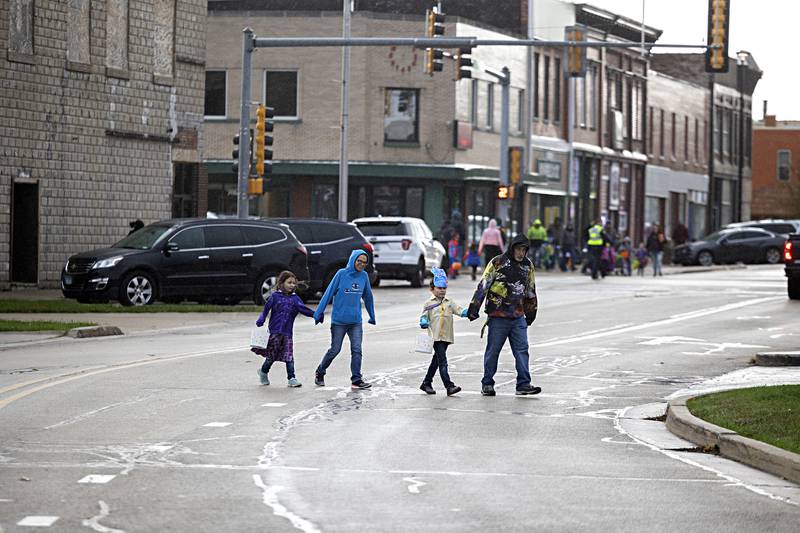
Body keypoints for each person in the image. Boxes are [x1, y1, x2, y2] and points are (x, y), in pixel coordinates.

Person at [467, 234, 542, 397]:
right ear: (512, 248)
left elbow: (530, 290)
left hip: (518, 316)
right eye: (518, 249)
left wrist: (531, 313)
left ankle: (523, 384)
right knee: (493, 351)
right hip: (498, 316)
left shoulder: (528, 266)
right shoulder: (497, 262)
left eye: (524, 250)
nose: (521, 253)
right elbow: (484, 285)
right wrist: (474, 308)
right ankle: (487, 384)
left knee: (522, 350)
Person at [313, 250, 376, 390]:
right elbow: (328, 293)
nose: (361, 264)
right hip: (339, 321)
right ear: (353, 259)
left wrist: (372, 316)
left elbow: (368, 297)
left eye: (364, 262)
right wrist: (319, 312)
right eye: (359, 260)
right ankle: (320, 371)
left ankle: (356, 379)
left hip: (355, 321)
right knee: (335, 350)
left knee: (357, 350)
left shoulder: (364, 276)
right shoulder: (341, 274)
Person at [253, 271, 314, 387]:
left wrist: (316, 315)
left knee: (289, 356)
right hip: (274, 332)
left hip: (287, 333)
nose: (292, 285)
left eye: (294, 283)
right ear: (281, 283)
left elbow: (304, 309)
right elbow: (266, 309)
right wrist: (261, 319)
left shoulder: (295, 299)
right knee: (271, 357)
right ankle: (263, 372)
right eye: (289, 282)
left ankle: (292, 378)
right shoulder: (275, 296)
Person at [418, 268, 467, 396]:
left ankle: (426, 383)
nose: (442, 290)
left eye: (444, 288)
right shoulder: (429, 303)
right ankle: (449, 386)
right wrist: (423, 322)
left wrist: (470, 311)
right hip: (436, 338)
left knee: (436, 361)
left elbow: (460, 311)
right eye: (439, 288)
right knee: (443, 362)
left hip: (446, 336)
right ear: (432, 289)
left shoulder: (449, 302)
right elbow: (424, 316)